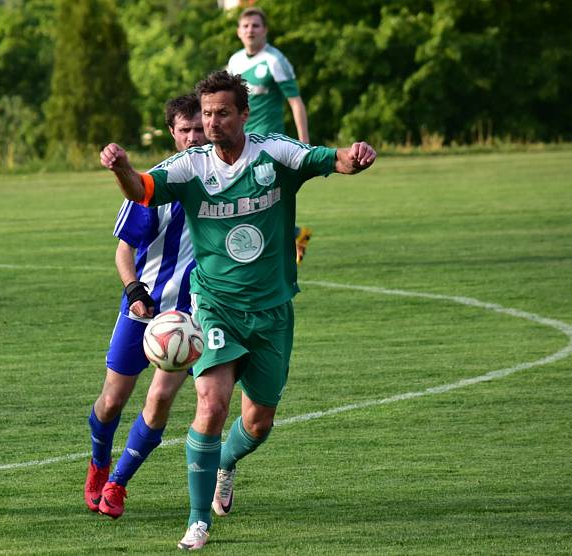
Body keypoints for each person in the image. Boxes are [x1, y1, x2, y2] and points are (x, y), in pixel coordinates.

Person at [99, 70, 376, 550]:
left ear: (243, 114)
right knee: (211, 404)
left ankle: (226, 462)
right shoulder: (192, 166)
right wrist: (121, 166)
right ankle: (196, 520)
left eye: (222, 113)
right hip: (216, 307)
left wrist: (356, 156)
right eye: (206, 114)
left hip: (272, 310)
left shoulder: (274, 153)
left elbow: (333, 160)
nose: (212, 123)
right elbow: (141, 190)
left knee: (258, 422)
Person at [84, 94, 207, 519]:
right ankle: (99, 463)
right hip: (145, 308)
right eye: (185, 130)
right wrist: (136, 290)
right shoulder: (154, 185)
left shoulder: (226, 180)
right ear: (173, 135)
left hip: (193, 316)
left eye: (199, 128)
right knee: (112, 401)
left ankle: (118, 484)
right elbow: (124, 252)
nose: (193, 137)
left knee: (159, 400)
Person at [228, 6, 314, 264]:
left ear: (264, 30)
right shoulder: (235, 61)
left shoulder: (275, 60)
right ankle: (296, 234)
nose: (250, 30)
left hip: (268, 144)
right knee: (251, 199)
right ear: (238, 32)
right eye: (246, 26)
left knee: (255, 198)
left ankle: (267, 249)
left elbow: (295, 102)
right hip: (240, 142)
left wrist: (304, 143)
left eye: (255, 25)